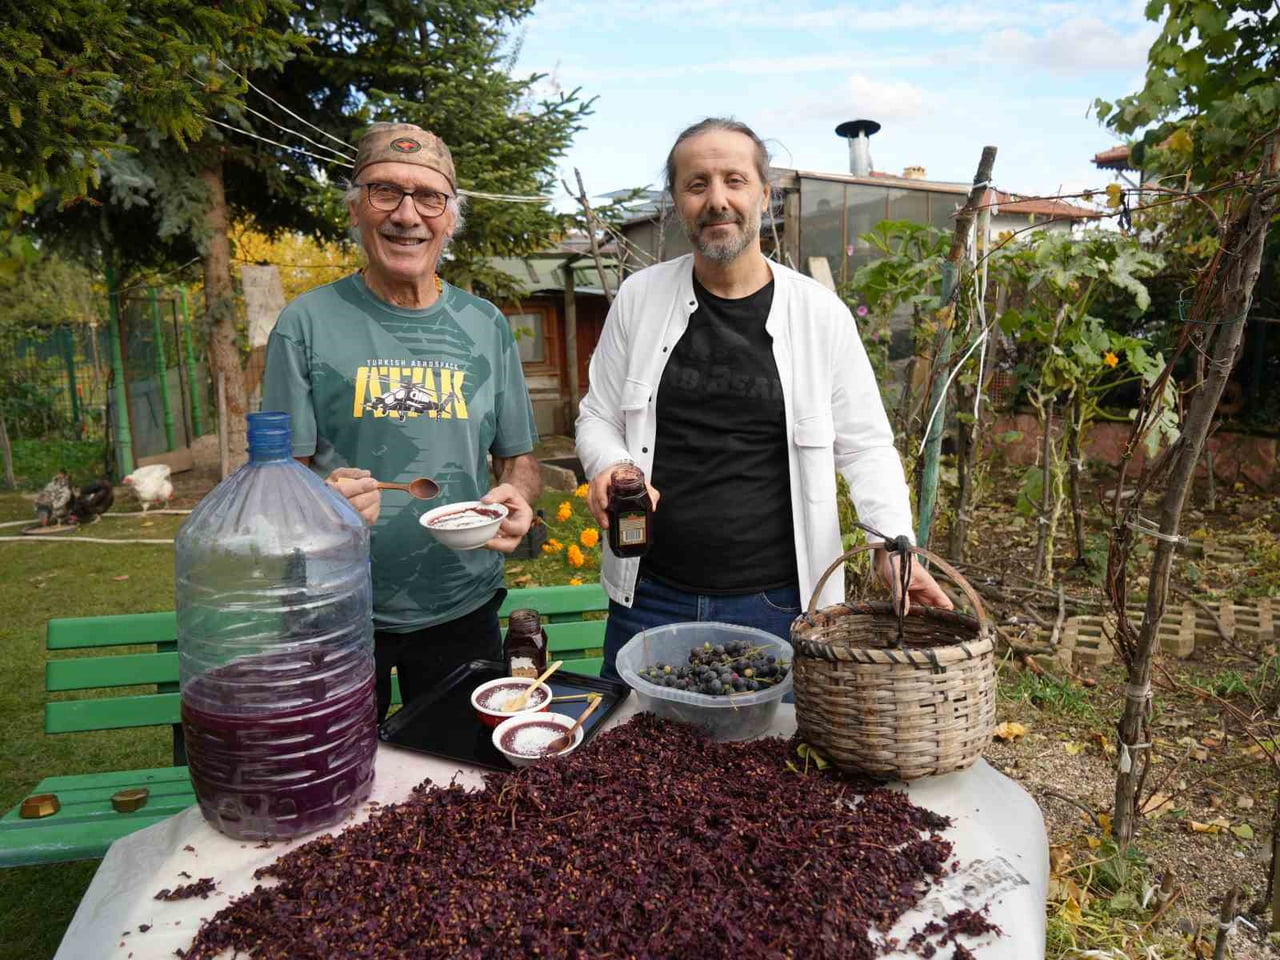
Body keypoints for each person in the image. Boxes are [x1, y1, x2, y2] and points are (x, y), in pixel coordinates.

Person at [575, 117, 952, 682]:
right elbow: (598, 416)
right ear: (678, 201)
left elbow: (867, 446)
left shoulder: (819, 315)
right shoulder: (639, 299)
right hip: (648, 596)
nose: (717, 200)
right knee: (636, 760)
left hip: (780, 606)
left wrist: (891, 545)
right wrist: (613, 465)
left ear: (764, 194)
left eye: (735, 180)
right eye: (697, 184)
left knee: (773, 764)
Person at [263, 122, 541, 719]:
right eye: (384, 192)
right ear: (357, 209)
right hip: (336, 607)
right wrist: (323, 506)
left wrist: (518, 495)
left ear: (450, 216)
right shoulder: (306, 323)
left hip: (462, 606)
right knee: (340, 786)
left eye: (428, 197)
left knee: (459, 781)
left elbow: (516, 456)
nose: (407, 215)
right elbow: (273, 479)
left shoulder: (485, 324)